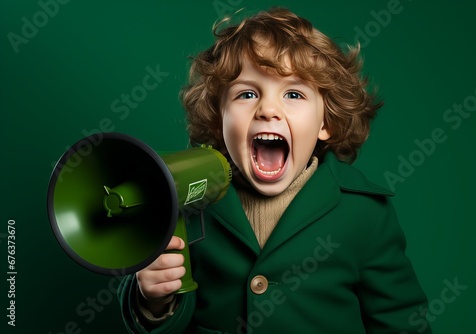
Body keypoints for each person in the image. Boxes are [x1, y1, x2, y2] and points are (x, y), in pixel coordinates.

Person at [118, 7, 432, 334]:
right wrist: (154, 301)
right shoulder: (190, 199)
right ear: (219, 119)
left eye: (294, 93)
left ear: (326, 122)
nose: (268, 109)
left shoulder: (365, 212)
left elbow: (400, 319)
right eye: (247, 93)